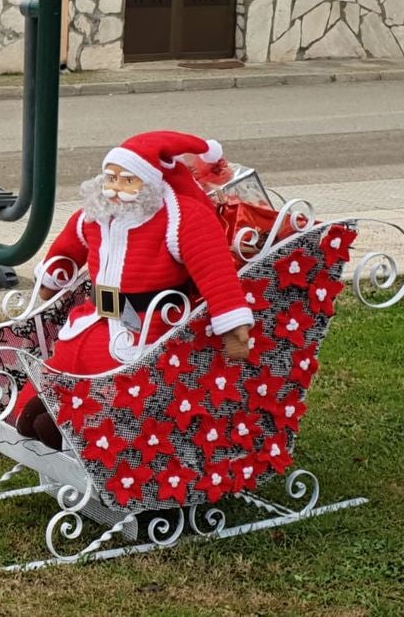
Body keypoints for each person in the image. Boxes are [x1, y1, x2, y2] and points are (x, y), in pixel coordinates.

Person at [15, 131, 254, 450]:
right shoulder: (96, 213)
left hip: (145, 322)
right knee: (66, 358)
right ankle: (33, 414)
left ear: (150, 182)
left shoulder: (181, 218)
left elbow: (216, 273)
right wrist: (51, 280)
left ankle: (80, 432)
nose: (115, 188)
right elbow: (68, 246)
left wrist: (233, 329)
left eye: (127, 180)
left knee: (112, 370)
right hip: (95, 312)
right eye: (111, 177)